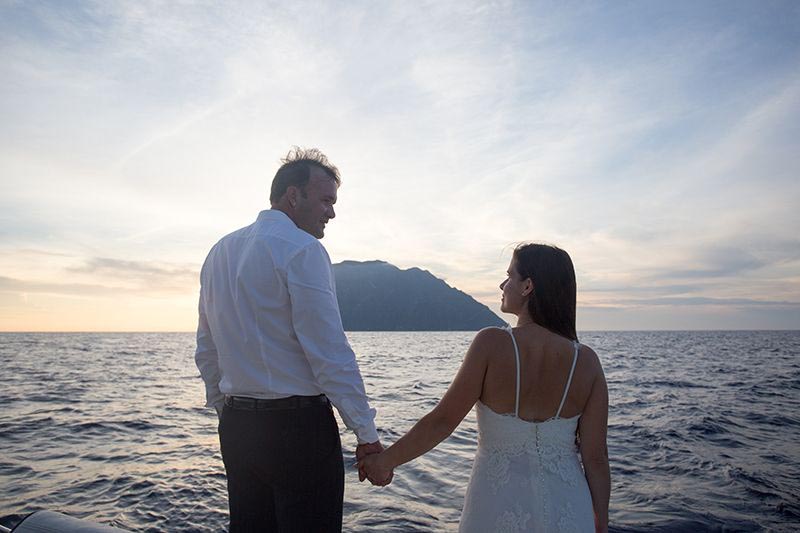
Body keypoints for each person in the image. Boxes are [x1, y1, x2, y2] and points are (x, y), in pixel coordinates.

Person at [195, 147, 386, 532]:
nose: (331, 212)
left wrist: (225, 412)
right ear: (293, 196)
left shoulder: (220, 252)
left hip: (238, 430)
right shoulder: (304, 250)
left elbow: (207, 348)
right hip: (297, 432)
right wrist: (365, 434)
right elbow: (330, 354)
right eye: (325, 200)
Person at [360, 243, 610, 532]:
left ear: (528, 286)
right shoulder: (587, 361)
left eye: (510, 276)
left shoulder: (492, 343)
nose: (503, 284)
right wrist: (600, 521)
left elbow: (442, 422)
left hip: (496, 507)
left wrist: (384, 462)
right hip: (570, 510)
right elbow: (596, 457)